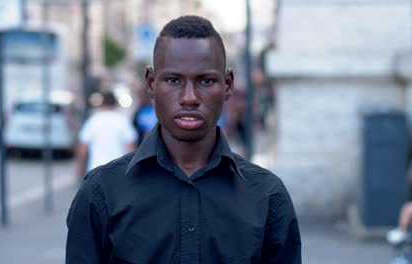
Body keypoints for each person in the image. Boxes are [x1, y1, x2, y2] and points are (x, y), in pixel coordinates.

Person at [66, 16, 301, 263]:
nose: (189, 98)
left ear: (228, 85)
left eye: (206, 81)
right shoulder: (100, 193)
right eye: (173, 80)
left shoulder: (267, 196)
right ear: (151, 83)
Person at [75, 90, 136, 178]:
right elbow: (130, 149)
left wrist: (80, 168)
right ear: (115, 104)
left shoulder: (93, 121)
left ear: (102, 104)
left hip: (95, 170)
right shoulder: (123, 121)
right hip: (118, 172)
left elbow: (83, 148)